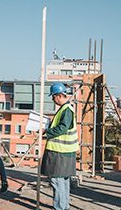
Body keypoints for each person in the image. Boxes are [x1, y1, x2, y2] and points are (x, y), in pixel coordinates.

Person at [41, 82, 79, 210]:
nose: (53, 100)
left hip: (60, 152)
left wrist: (47, 132)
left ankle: (60, 207)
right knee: (63, 181)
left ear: (59, 95)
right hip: (65, 152)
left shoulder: (66, 110)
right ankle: (64, 206)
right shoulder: (66, 109)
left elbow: (62, 128)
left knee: (57, 181)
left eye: (53, 97)